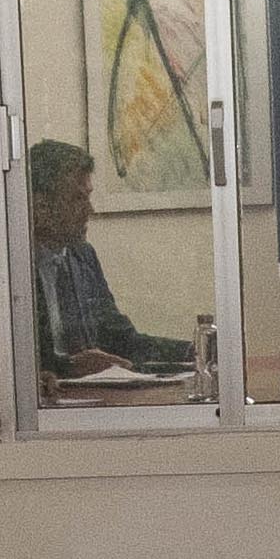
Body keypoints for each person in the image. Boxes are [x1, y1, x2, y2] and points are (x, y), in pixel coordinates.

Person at [20, 139, 195, 387]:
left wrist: (194, 350)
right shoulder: (13, 267)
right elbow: (11, 362)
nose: (89, 210)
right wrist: (68, 367)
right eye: (77, 199)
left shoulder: (82, 257)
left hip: (93, 400)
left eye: (88, 197)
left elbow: (122, 340)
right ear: (40, 206)